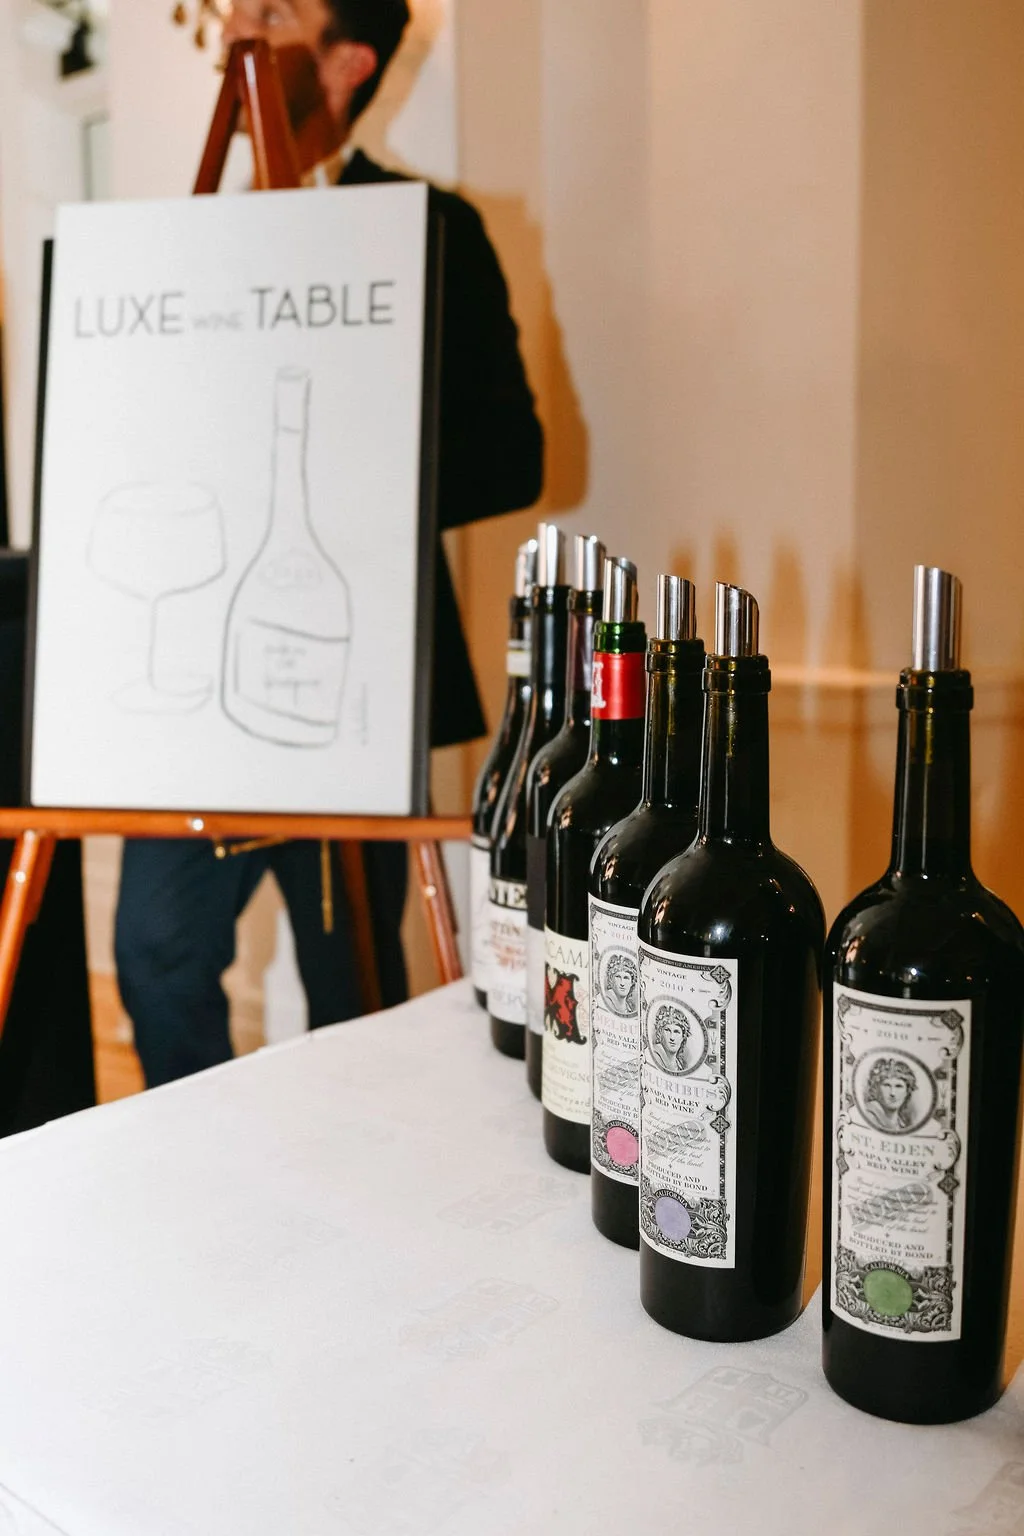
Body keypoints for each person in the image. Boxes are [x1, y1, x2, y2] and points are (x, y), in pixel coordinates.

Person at [115, 0, 544, 1087]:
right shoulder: (182, 240)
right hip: (194, 676)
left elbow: (514, 459)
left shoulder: (431, 226)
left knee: (350, 975)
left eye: (277, 12)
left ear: (347, 62)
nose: (240, 30)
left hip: (357, 675)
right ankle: (200, 1184)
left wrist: (350, 459)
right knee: (154, 951)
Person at [862, 1057, 918, 1133]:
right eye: (887, 1085)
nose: (892, 1093)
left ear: (907, 1091)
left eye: (899, 1086)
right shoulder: (869, 1115)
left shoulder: (901, 1123)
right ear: (876, 1088)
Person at [648, 1004, 690, 1074]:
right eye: (667, 1030)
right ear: (660, 1033)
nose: (672, 1038)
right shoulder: (655, 1056)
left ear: (683, 1037)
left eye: (676, 1032)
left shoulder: (681, 1065)